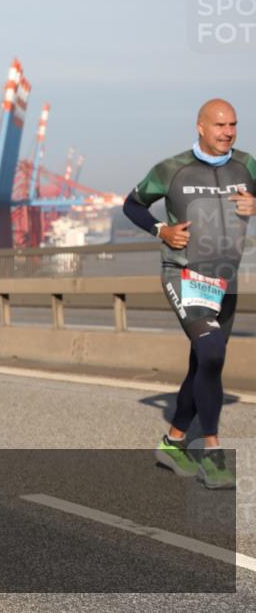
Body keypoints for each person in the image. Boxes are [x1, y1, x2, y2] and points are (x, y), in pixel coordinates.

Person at [124, 99, 255, 490]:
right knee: (212, 350)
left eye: (232, 124)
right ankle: (212, 453)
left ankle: (174, 441)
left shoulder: (247, 165)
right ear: (200, 127)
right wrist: (160, 231)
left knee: (204, 362)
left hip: (224, 278)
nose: (227, 132)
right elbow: (132, 205)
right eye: (219, 125)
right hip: (183, 272)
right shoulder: (171, 169)